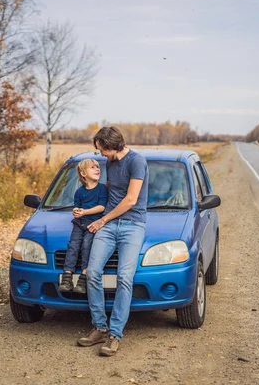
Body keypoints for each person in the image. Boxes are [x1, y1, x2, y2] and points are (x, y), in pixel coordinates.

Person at [77, 126, 149, 357]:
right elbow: (111, 190)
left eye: (102, 150)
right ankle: (99, 326)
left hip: (132, 225)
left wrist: (102, 220)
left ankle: (115, 334)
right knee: (93, 272)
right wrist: (90, 209)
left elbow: (130, 200)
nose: (101, 155)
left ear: (112, 145)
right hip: (109, 224)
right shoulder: (110, 162)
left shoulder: (137, 161)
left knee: (125, 278)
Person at [58, 159, 108, 294]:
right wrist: (76, 211)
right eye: (93, 167)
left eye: (97, 167)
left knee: (87, 245)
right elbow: (76, 207)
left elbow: (101, 207)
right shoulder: (79, 192)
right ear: (83, 173)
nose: (97, 169)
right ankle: (67, 277)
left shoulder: (102, 189)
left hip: (93, 224)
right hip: (79, 223)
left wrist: (85, 212)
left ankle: (83, 279)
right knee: (73, 245)